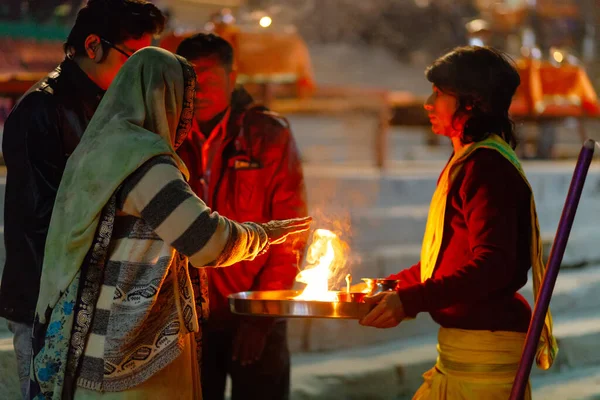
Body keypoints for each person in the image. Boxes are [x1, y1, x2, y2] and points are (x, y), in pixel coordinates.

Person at [29, 46, 311, 400]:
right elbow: (206, 241)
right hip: (126, 353)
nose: (188, 114)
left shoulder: (97, 148)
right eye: (186, 98)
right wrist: (265, 234)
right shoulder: (144, 163)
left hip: (87, 340)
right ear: (166, 98)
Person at [358, 46, 558, 399]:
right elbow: (447, 259)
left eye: (439, 93)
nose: (428, 103)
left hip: (485, 356)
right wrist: (391, 287)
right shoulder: (467, 161)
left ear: (472, 102)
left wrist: (410, 300)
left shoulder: (487, 168)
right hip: (461, 352)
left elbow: (492, 266)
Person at [0, 1, 165, 398]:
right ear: (93, 46)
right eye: (133, 57)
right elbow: (47, 219)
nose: (139, 71)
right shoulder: (44, 108)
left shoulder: (106, 104)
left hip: (86, 293)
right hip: (50, 299)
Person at [176, 33, 308, 400]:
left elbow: (292, 232)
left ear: (233, 79)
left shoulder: (268, 134)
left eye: (211, 82)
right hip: (186, 314)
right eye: (190, 83)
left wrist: (261, 316)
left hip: (255, 306)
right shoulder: (165, 136)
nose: (198, 93)